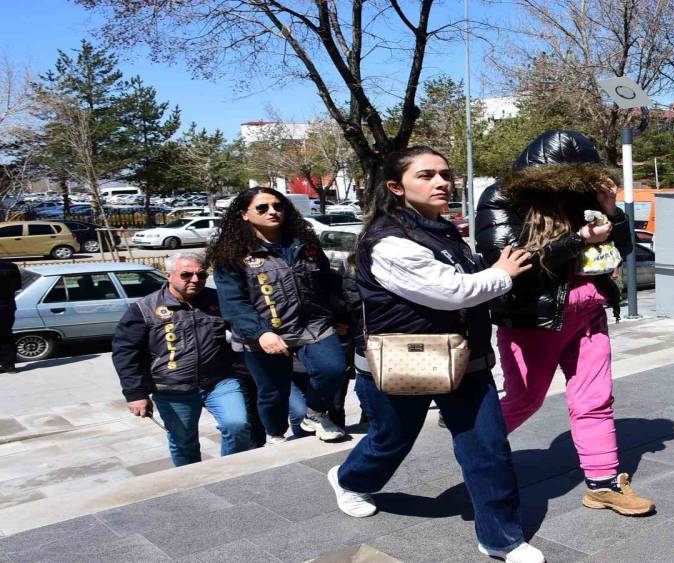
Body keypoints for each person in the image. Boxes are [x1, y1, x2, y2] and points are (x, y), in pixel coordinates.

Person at [329, 146, 544, 563]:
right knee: (391, 441)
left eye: (445, 174)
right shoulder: (389, 241)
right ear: (396, 187)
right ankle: (349, 480)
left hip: (464, 359)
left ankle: (501, 539)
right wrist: (502, 274)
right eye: (426, 175)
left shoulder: (442, 229)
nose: (442, 182)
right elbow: (453, 291)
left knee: (487, 447)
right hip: (401, 360)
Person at [476, 130, 655, 517]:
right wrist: (578, 239)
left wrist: (612, 210)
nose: (571, 186)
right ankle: (475, 450)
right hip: (533, 319)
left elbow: (622, 247)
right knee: (525, 399)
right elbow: (510, 261)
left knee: (595, 400)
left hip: (589, 314)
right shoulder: (502, 197)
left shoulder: (584, 197)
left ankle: (604, 484)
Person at [209, 188, 348, 444]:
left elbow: (328, 283)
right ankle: (276, 435)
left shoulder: (305, 244)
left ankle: (315, 413)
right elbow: (233, 303)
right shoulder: (230, 255)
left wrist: (340, 314)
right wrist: (261, 333)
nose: (272, 212)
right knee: (274, 392)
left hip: (311, 325)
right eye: (262, 208)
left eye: (278, 206)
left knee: (333, 369)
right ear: (244, 214)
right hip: (264, 332)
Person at [112, 251, 252, 466]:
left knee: (237, 425)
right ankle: (193, 479)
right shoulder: (144, 309)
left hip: (219, 382)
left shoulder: (218, 300)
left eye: (201, 275)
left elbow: (244, 329)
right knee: (184, 442)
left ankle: (228, 472)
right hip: (172, 388)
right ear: (168, 275)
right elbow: (125, 352)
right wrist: (135, 393)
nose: (195, 280)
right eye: (186, 275)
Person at [0, 259, 20, 373]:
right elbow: (17, 286)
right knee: (6, 335)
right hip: (7, 306)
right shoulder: (11, 266)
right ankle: (8, 365)